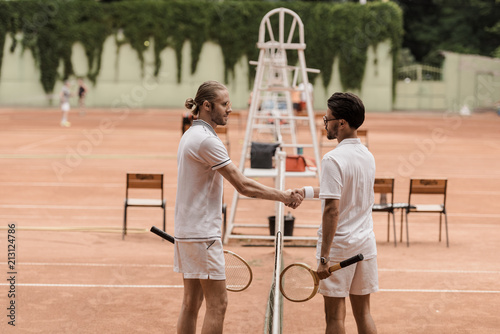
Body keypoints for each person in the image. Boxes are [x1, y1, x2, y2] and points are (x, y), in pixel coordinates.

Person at [174, 80, 303, 334]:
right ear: (207, 105)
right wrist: (284, 196)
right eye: (224, 104)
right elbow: (243, 185)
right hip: (202, 234)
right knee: (217, 304)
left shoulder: (190, 134)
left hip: (188, 231)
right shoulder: (207, 141)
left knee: (191, 303)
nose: (229, 109)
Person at [294, 92, 378, 334]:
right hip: (365, 245)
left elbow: (332, 209)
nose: (325, 124)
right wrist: (307, 191)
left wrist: (323, 258)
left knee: (335, 318)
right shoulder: (367, 156)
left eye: (327, 119)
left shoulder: (332, 158)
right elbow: (343, 190)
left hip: (340, 248)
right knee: (364, 314)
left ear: (341, 123)